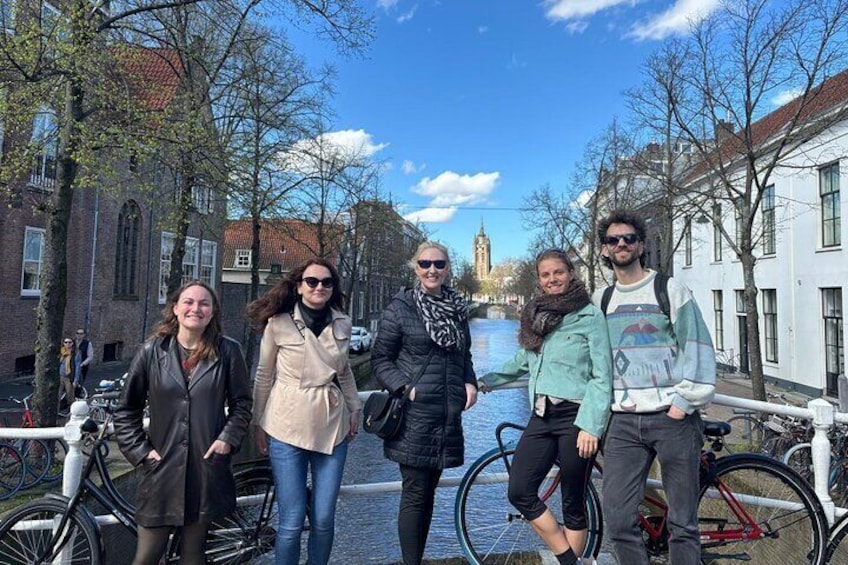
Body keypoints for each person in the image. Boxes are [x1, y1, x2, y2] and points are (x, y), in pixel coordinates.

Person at [593, 209, 716, 565]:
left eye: (628, 238)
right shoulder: (601, 299)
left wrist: (684, 400)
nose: (621, 245)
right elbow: (591, 356)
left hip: (672, 418)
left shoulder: (669, 288)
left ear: (641, 245)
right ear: (604, 249)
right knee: (616, 517)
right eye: (613, 240)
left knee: (683, 521)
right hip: (623, 423)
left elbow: (697, 344)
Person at [479, 248, 612, 565]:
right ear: (539, 280)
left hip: (576, 420)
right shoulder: (535, 316)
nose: (553, 279)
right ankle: (569, 560)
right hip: (541, 416)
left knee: (573, 501)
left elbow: (602, 375)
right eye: (545, 274)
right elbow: (524, 360)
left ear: (570, 273)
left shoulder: (589, 316)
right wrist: (485, 380)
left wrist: (591, 425)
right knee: (520, 490)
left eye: (558, 272)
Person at [114, 281, 252, 565]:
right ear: (175, 308)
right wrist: (141, 453)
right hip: (162, 469)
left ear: (212, 313)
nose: (196, 308)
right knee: (146, 557)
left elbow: (242, 403)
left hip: (204, 469)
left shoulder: (228, 352)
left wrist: (227, 438)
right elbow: (126, 410)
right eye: (188, 302)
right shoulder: (151, 352)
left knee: (193, 556)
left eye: (204, 303)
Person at [246, 258, 360, 565]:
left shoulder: (342, 323)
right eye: (312, 281)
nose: (319, 287)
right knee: (292, 520)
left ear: (333, 288)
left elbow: (345, 372)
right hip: (286, 425)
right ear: (299, 286)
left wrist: (355, 407)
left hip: (331, 425)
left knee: (324, 517)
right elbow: (263, 374)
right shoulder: (278, 324)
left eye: (326, 282)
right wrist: (258, 422)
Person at [371, 241, 478, 565]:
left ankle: (415, 559)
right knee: (415, 492)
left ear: (448, 269)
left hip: (446, 414)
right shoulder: (401, 307)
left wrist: (469, 380)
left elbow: (464, 354)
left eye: (439, 264)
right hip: (415, 414)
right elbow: (380, 359)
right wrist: (405, 388)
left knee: (429, 491)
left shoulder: (458, 309)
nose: (432, 269)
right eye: (425, 263)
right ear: (415, 268)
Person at [58, 337, 76, 408]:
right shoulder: (61, 353)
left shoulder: (75, 354)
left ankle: (73, 411)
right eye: (66, 342)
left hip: (69, 377)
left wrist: (76, 380)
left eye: (69, 342)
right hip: (60, 376)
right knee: (57, 396)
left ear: (72, 343)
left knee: (70, 397)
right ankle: (56, 412)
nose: (67, 344)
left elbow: (77, 367)